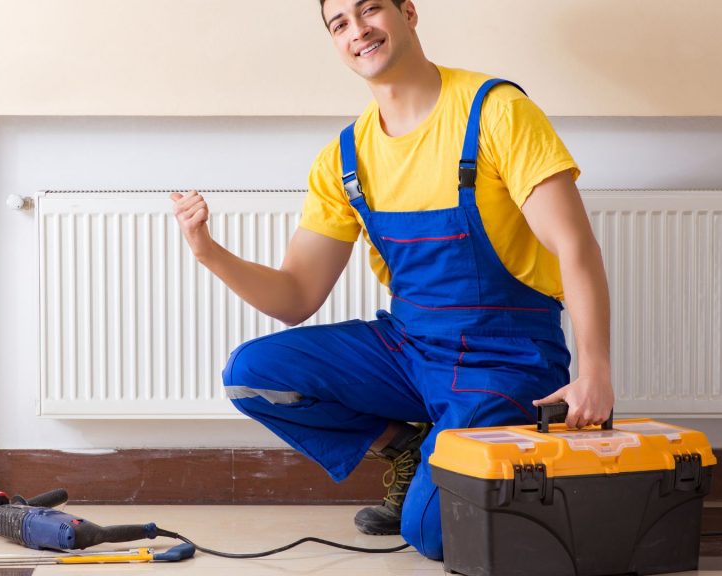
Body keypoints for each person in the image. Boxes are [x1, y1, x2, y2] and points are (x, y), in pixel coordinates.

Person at [169, 0, 613, 560]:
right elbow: (296, 298)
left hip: (505, 358)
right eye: (340, 24)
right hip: (409, 347)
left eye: (370, 9)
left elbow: (576, 246)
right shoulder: (345, 157)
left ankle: (464, 451)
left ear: (408, 13)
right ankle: (408, 448)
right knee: (252, 374)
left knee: (429, 532)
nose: (358, 30)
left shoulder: (496, 111)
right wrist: (208, 251)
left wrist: (595, 372)